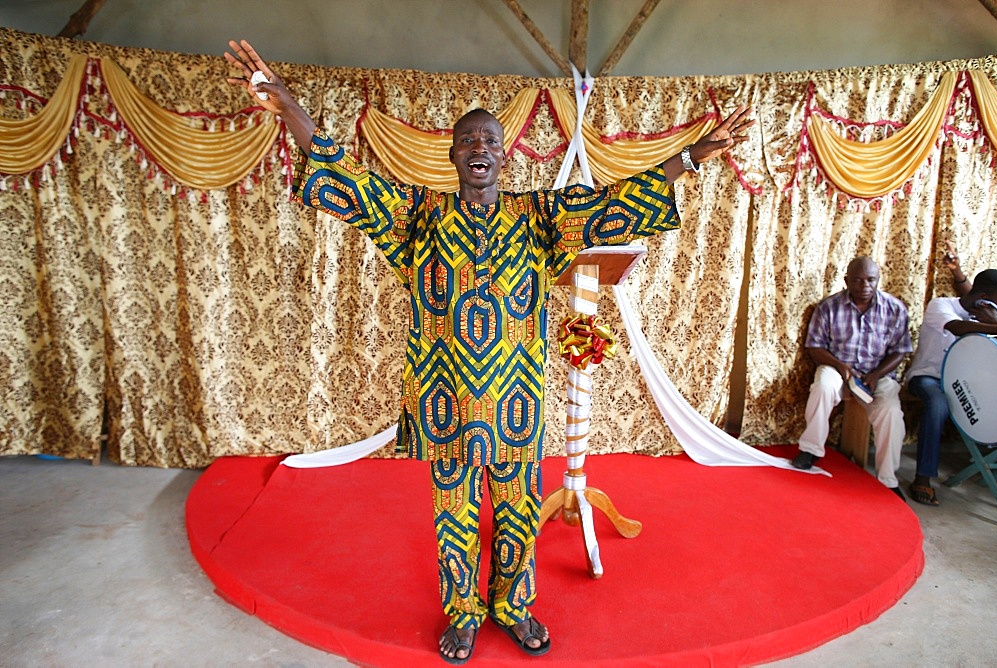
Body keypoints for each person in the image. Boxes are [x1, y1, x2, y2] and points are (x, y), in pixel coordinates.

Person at [225, 40, 753, 664]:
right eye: (469, 141)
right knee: (452, 511)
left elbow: (615, 203)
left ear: (505, 157)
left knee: (518, 507)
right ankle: (462, 613)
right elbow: (344, 177)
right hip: (444, 394)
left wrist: (690, 158)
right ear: (453, 154)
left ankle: (513, 604)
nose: (480, 149)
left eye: (491, 142)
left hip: (515, 399)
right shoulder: (417, 216)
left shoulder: (541, 217)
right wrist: (288, 105)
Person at [791, 256, 913, 500]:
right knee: (823, 388)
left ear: (878, 280)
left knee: (890, 413)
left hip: (877, 374)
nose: (864, 286)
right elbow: (815, 347)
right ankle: (810, 449)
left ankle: (887, 479)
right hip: (838, 367)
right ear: (846, 281)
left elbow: (901, 350)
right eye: (857, 280)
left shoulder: (895, 308)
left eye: (870, 280)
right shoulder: (828, 307)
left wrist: (877, 374)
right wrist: (841, 367)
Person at [904, 268, 997, 506]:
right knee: (938, 403)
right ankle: (922, 478)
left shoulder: (990, 318)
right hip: (929, 377)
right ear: (983, 297)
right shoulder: (941, 306)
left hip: (967, 384)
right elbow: (957, 328)